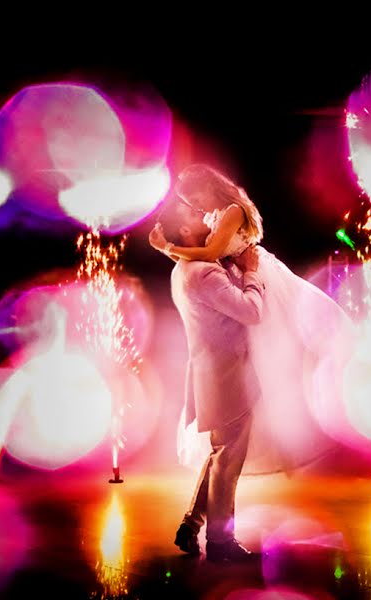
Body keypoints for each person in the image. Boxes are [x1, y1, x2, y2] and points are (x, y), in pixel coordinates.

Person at [150, 164, 352, 475]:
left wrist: (167, 248)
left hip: (260, 278)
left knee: (278, 352)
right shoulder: (213, 215)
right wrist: (174, 253)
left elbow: (211, 251)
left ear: (211, 186)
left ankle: (296, 421)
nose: (196, 205)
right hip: (242, 278)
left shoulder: (232, 210)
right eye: (189, 202)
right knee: (256, 364)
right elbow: (204, 254)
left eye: (195, 196)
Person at [156, 198, 264, 563]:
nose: (202, 214)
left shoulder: (184, 269)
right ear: (186, 231)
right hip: (227, 373)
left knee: (221, 454)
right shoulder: (206, 273)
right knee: (229, 461)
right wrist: (250, 273)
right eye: (191, 214)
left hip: (210, 370)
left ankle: (192, 522)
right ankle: (221, 543)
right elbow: (251, 312)